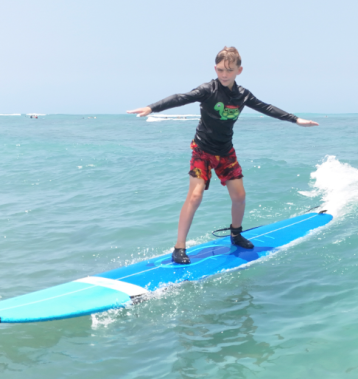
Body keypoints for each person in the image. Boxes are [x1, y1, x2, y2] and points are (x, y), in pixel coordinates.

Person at [127, 46, 319, 264]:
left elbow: (266, 108)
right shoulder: (208, 89)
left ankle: (236, 234)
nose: (224, 74)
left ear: (239, 70)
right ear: (215, 69)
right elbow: (181, 98)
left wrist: (295, 119)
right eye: (220, 70)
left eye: (229, 70)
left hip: (226, 152)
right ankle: (179, 247)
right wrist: (152, 108)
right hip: (202, 149)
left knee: (239, 197)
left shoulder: (243, 95)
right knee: (195, 196)